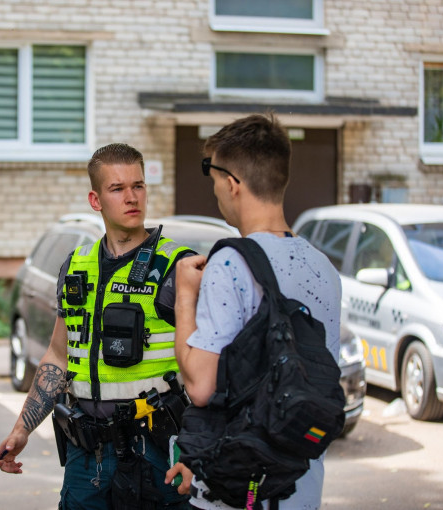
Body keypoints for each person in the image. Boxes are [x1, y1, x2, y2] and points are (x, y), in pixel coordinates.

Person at [0, 143, 193, 509]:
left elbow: (209, 365)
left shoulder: (176, 266)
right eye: (117, 189)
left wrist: (198, 451)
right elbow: (57, 354)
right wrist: (22, 428)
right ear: (95, 200)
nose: (132, 197)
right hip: (89, 461)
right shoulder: (76, 266)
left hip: (158, 454)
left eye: (139, 185)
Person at [165, 113, 342, 510]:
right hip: (301, 487)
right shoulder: (324, 267)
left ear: (232, 184)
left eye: (215, 185)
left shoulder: (230, 264)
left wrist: (184, 298)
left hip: (239, 493)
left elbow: (201, 387)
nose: (217, 195)